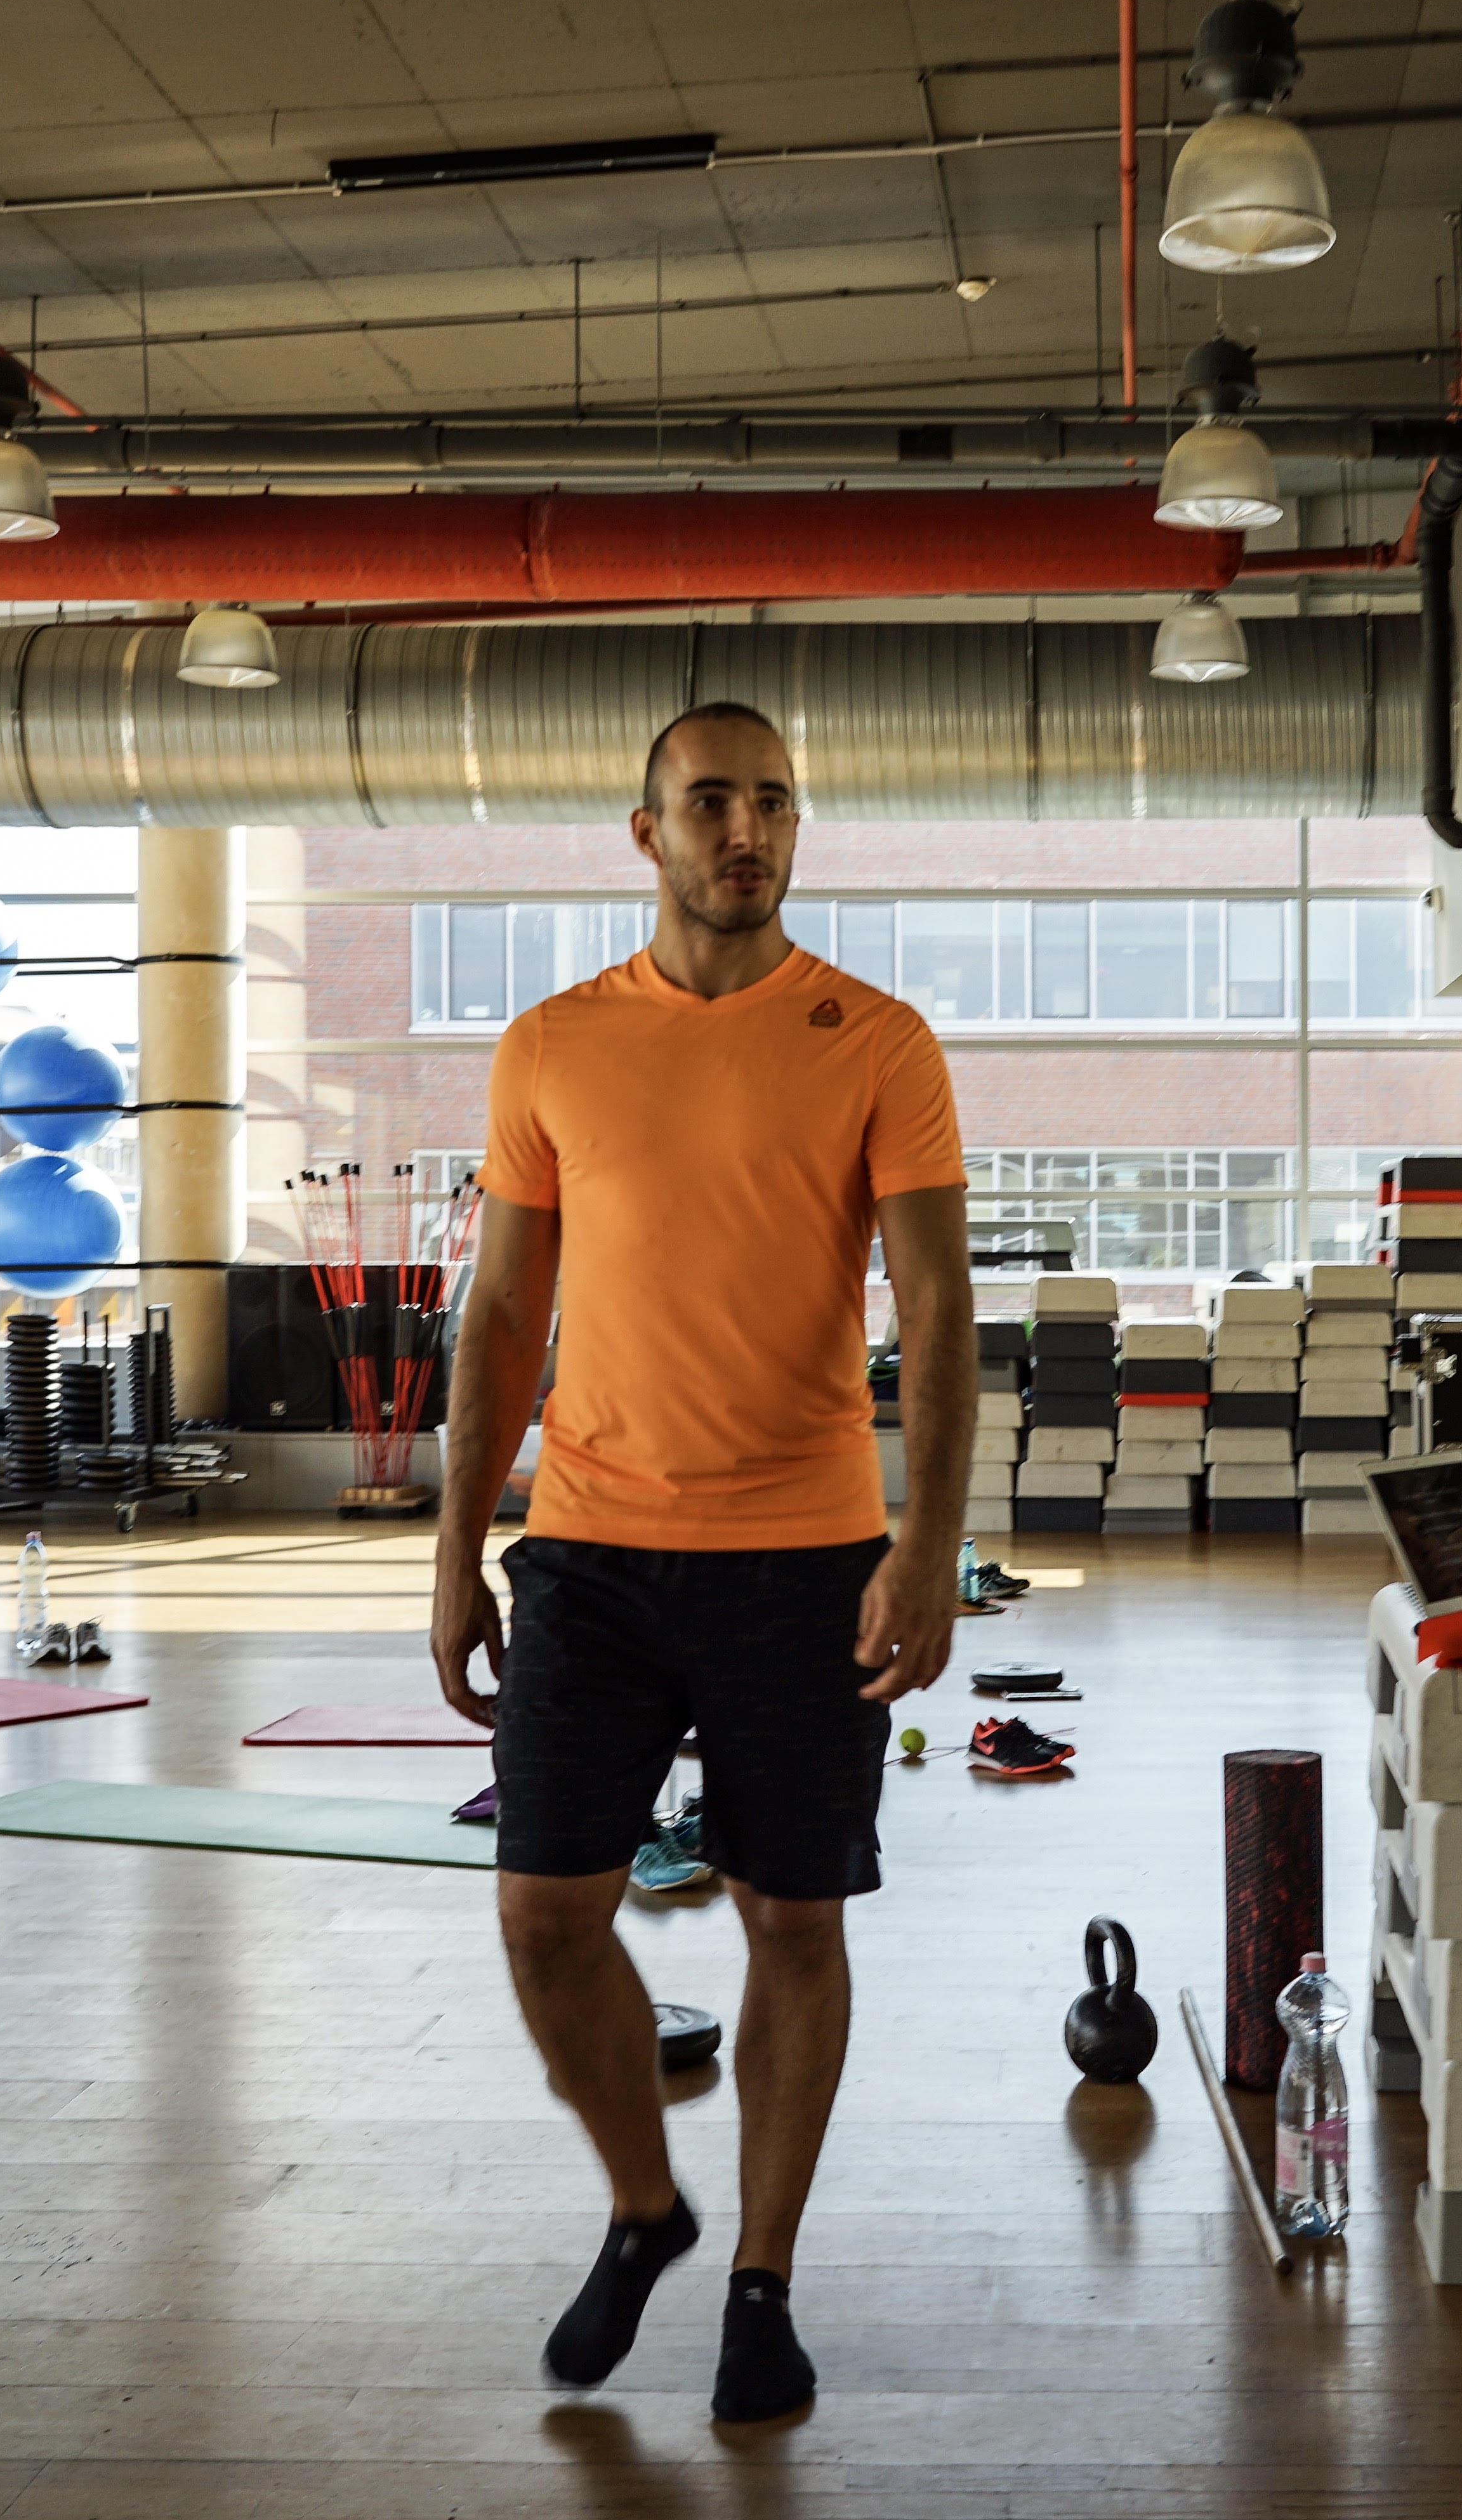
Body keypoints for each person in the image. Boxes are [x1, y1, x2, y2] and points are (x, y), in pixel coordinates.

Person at [428, 701, 975, 2425]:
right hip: (590, 1548)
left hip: (806, 1557)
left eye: (776, 802)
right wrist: (455, 1551)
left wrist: (929, 1548)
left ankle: (762, 2279)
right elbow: (502, 1313)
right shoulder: (551, 1044)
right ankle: (644, 2205)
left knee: (791, 1920)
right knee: (542, 1920)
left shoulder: (877, 1040)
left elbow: (939, 1308)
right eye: (714, 800)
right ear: (647, 829)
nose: (748, 829)